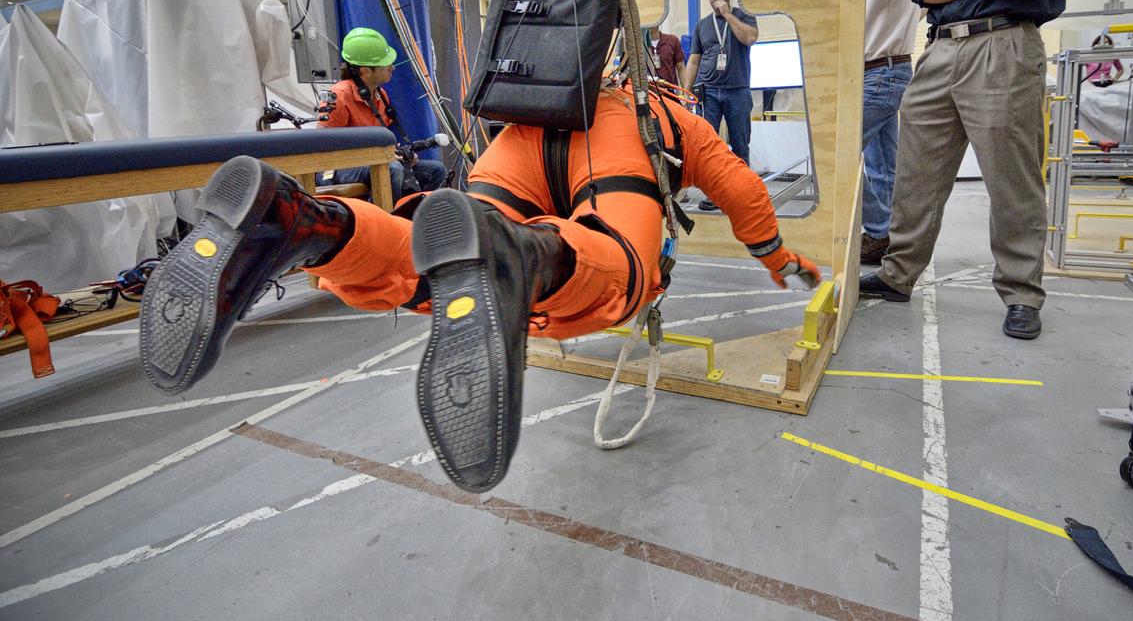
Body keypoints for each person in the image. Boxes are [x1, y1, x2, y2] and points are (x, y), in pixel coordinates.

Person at [138, 79, 821, 495]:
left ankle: (306, 224)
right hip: (611, 147)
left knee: (435, 269)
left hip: (515, 144)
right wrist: (775, 256)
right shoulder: (664, 111)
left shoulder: (532, 100)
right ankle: (523, 256)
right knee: (620, 273)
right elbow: (737, 186)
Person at [858, 0, 1090, 341]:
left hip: (1005, 45)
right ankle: (898, 273)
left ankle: (1020, 292)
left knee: (1010, 179)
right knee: (917, 173)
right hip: (939, 49)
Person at [807, 0, 922, 264]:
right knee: (882, 165)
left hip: (882, 73)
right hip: (872, 73)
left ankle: (877, 229)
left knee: (838, 153)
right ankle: (889, 236)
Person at [322, 27, 446, 202]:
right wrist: (380, 157)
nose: (392, 67)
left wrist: (401, 155)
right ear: (365, 71)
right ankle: (386, 222)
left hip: (377, 161)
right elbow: (325, 150)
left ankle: (418, 222)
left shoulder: (380, 95)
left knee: (436, 170)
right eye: (384, 64)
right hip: (338, 168)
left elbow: (382, 141)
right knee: (391, 168)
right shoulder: (339, 97)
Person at [681, 0, 760, 210]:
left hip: (737, 90)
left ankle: (743, 193)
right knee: (709, 146)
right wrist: (686, 92)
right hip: (709, 92)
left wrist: (727, 15)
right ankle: (715, 194)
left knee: (739, 143)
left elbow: (749, 38)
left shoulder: (744, 16)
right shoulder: (702, 25)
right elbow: (694, 60)